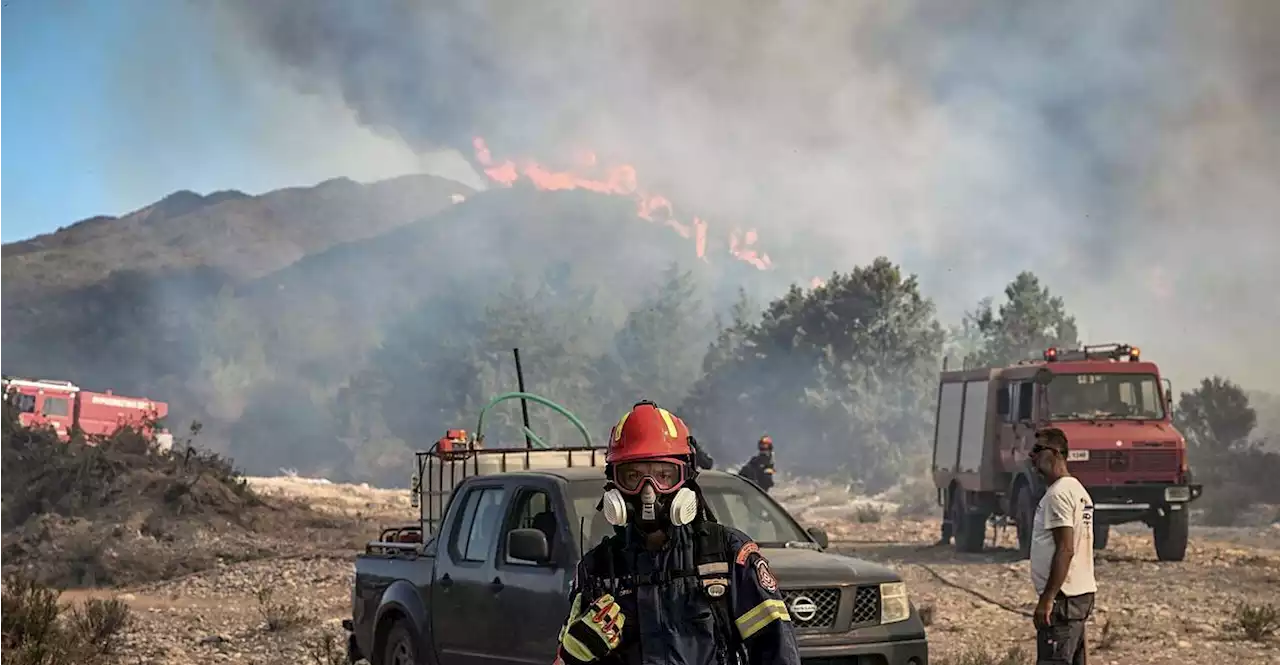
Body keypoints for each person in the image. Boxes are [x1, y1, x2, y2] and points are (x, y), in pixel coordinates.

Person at [554, 401, 801, 665]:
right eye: (633, 476)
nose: (648, 491)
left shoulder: (728, 557)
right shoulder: (598, 570)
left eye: (663, 475)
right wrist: (572, 656)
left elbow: (778, 653)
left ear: (686, 478)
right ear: (614, 483)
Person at [1029, 427, 1097, 665]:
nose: (1032, 456)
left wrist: (1047, 599)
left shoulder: (1058, 495)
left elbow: (1066, 548)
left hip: (1063, 600)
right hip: (1078, 597)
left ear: (1056, 453)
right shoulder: (1078, 491)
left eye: (1038, 450)